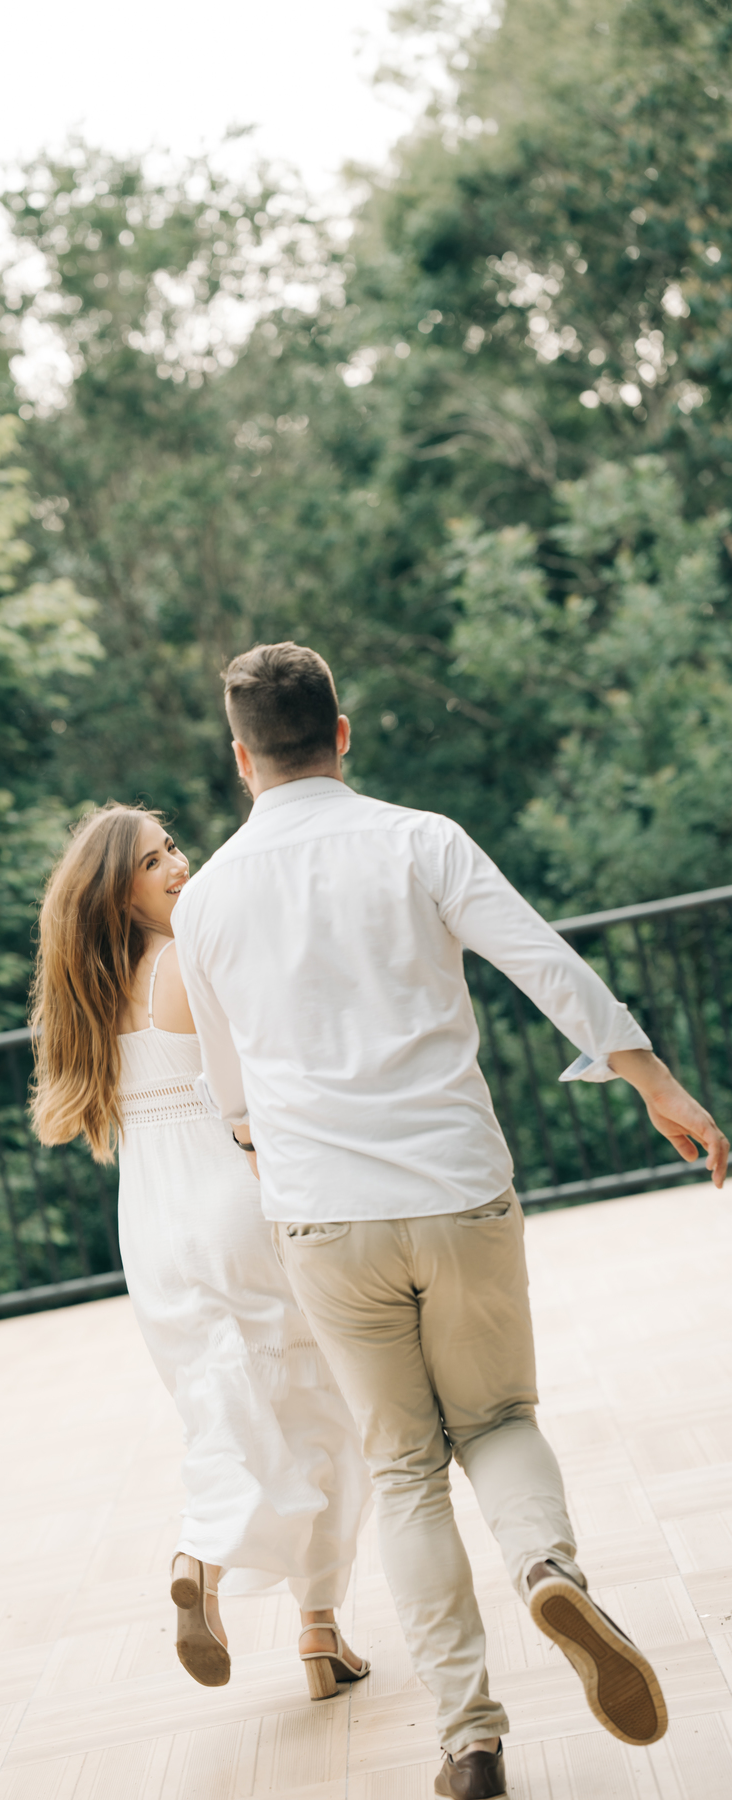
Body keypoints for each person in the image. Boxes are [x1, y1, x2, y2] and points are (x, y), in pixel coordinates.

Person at [171, 642, 728, 1800]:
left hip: (325, 1217)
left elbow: (229, 1099)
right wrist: (657, 1085)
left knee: (406, 1464)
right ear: (343, 731)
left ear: (240, 758)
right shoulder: (418, 838)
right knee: (501, 1416)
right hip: (457, 1188)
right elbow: (544, 965)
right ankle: (545, 1570)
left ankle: (469, 1740)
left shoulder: (209, 895)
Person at [30, 803, 373, 1697]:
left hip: (151, 1221)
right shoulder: (191, 960)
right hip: (233, 1200)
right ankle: (311, 1620)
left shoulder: (88, 996)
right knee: (323, 1409)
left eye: (173, 846)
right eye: (154, 861)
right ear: (120, 890)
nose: (179, 865)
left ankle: (210, 1565)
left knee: (222, 1400)